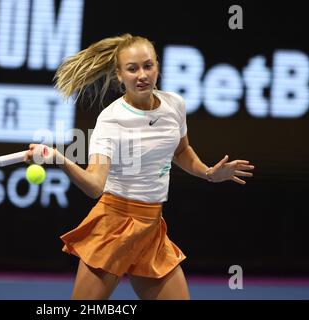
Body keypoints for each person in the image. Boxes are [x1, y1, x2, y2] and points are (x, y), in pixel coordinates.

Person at [25, 34, 254, 300]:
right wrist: (60, 159)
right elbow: (94, 186)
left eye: (148, 66)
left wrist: (209, 173)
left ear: (158, 66)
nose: (142, 75)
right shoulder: (111, 121)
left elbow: (181, 151)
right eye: (132, 69)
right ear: (120, 76)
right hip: (112, 226)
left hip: (152, 227)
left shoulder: (174, 105)